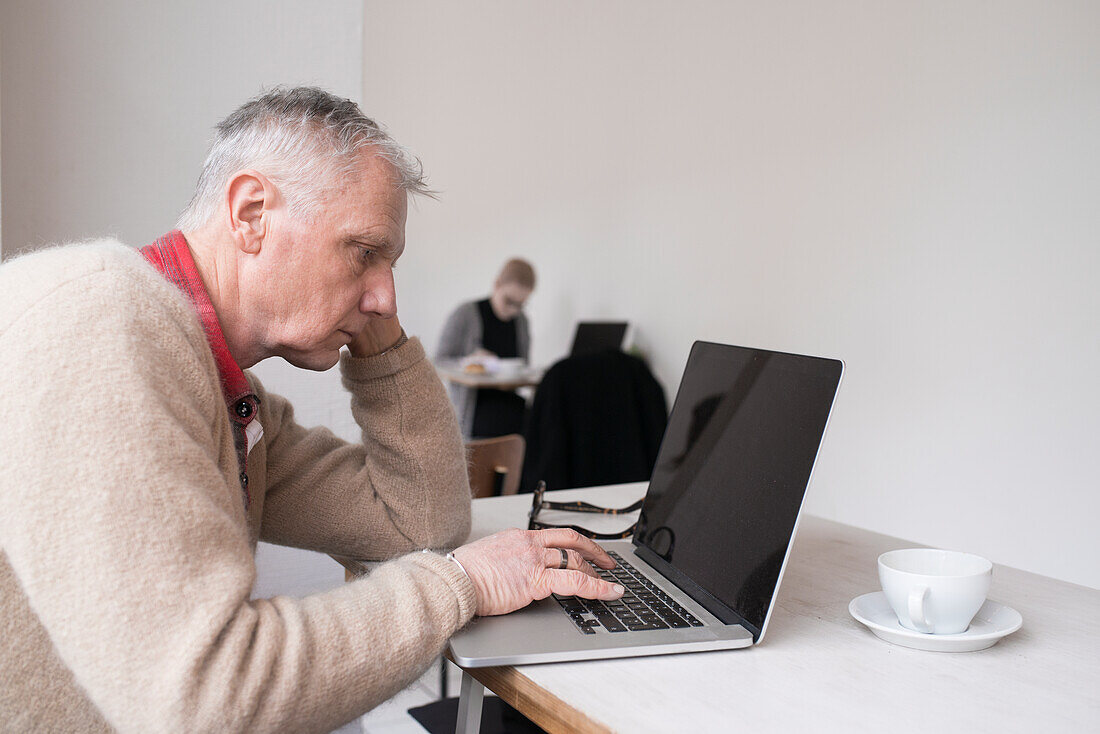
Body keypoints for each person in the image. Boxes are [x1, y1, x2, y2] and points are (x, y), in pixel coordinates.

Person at [0, 87, 622, 733]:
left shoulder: (214, 381)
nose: (387, 296)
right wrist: (462, 583)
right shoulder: (98, 325)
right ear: (251, 213)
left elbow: (418, 522)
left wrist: (382, 345)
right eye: (364, 251)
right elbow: (206, 698)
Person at [437, 259, 536, 438]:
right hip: (474, 410)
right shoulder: (466, 313)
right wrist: (468, 362)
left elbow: (523, 367)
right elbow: (439, 361)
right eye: (509, 301)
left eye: (520, 304)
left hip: (509, 403)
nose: (513, 310)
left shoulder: (522, 322)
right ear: (496, 285)